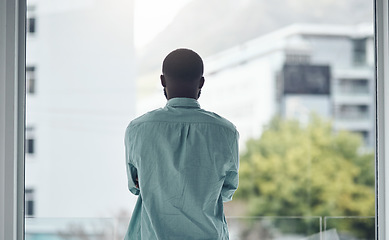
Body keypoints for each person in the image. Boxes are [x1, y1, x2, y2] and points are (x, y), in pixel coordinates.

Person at [124, 48, 239, 240]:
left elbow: (135, 186)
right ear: (201, 82)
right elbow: (227, 191)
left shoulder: (138, 129)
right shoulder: (226, 131)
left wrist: (154, 180)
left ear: (162, 81)